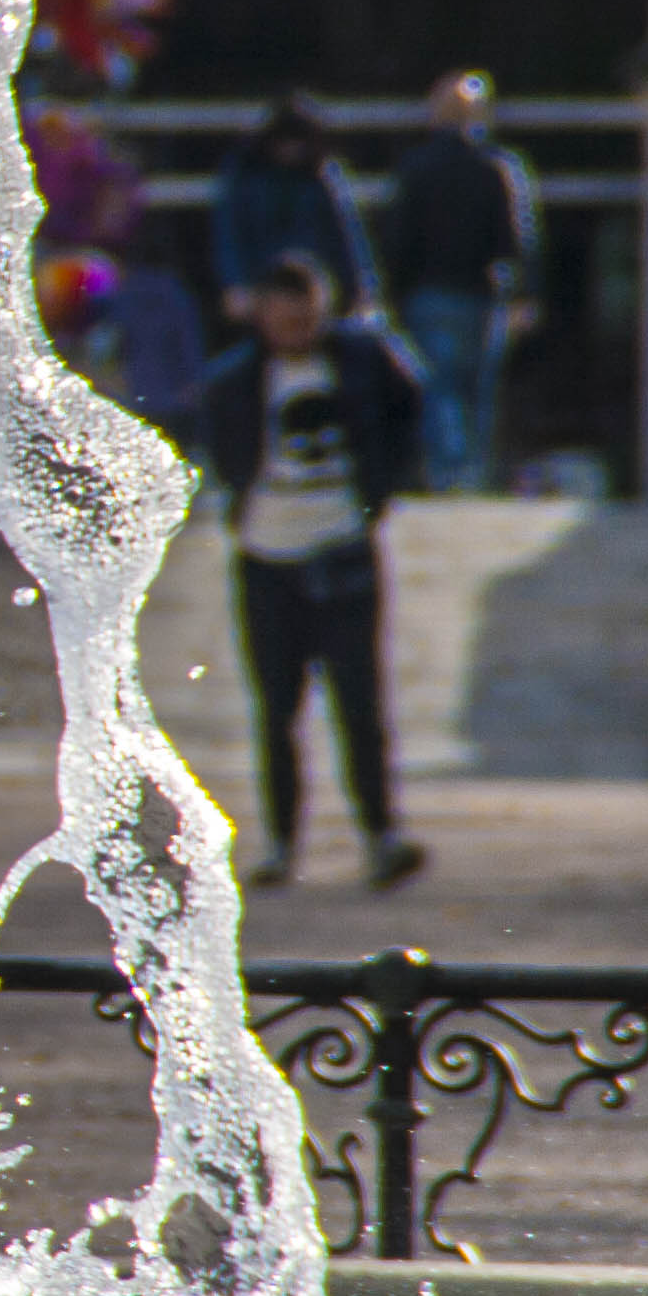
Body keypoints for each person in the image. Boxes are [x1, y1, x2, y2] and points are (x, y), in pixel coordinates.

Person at [197, 253, 429, 891]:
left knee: (359, 701)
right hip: (268, 554)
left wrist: (379, 491)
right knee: (276, 708)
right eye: (284, 313)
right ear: (264, 315)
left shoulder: (360, 361)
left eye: (306, 314)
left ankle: (381, 835)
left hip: (342, 546)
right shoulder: (237, 378)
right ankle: (280, 843)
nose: (296, 325)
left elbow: (412, 407)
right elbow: (221, 443)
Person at [384, 68, 541, 492]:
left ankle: (444, 472)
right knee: (477, 391)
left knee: (438, 388)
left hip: (428, 294)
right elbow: (516, 239)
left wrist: (391, 293)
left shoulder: (416, 168)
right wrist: (524, 295)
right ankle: (473, 473)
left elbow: (400, 237)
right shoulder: (497, 169)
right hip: (482, 295)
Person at [209, 96, 379, 326]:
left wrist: (364, 290)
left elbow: (351, 235)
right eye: (284, 141)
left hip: (321, 292)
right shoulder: (244, 178)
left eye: (298, 141)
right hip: (264, 291)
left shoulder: (327, 177)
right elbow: (229, 235)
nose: (291, 149)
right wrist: (235, 285)